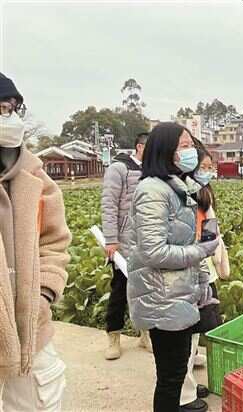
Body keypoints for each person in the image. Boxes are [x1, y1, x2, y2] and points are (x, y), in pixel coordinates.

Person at [126, 122, 219, 412]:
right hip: (161, 296)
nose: (192, 152)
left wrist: (202, 279)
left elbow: (184, 238)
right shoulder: (153, 191)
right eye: (185, 146)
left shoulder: (176, 187)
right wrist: (201, 251)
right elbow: (154, 251)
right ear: (165, 150)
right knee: (170, 378)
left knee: (176, 374)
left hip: (176, 293)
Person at [0, 72, 71, 411]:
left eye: (11, 109)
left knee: (41, 402)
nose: (8, 118)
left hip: (30, 329)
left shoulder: (34, 176)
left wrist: (43, 294)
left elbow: (54, 241)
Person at [180, 149, 230, 412]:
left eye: (211, 166)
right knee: (187, 338)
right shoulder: (184, 196)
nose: (208, 171)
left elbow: (209, 234)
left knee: (195, 334)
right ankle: (183, 395)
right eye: (204, 166)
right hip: (191, 273)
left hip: (203, 272)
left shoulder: (202, 194)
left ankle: (187, 383)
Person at [101, 132, 151, 360]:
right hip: (123, 243)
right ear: (140, 147)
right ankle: (113, 337)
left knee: (148, 291)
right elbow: (109, 204)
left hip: (148, 242)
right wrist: (111, 239)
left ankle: (145, 335)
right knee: (120, 291)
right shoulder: (118, 168)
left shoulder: (153, 170)